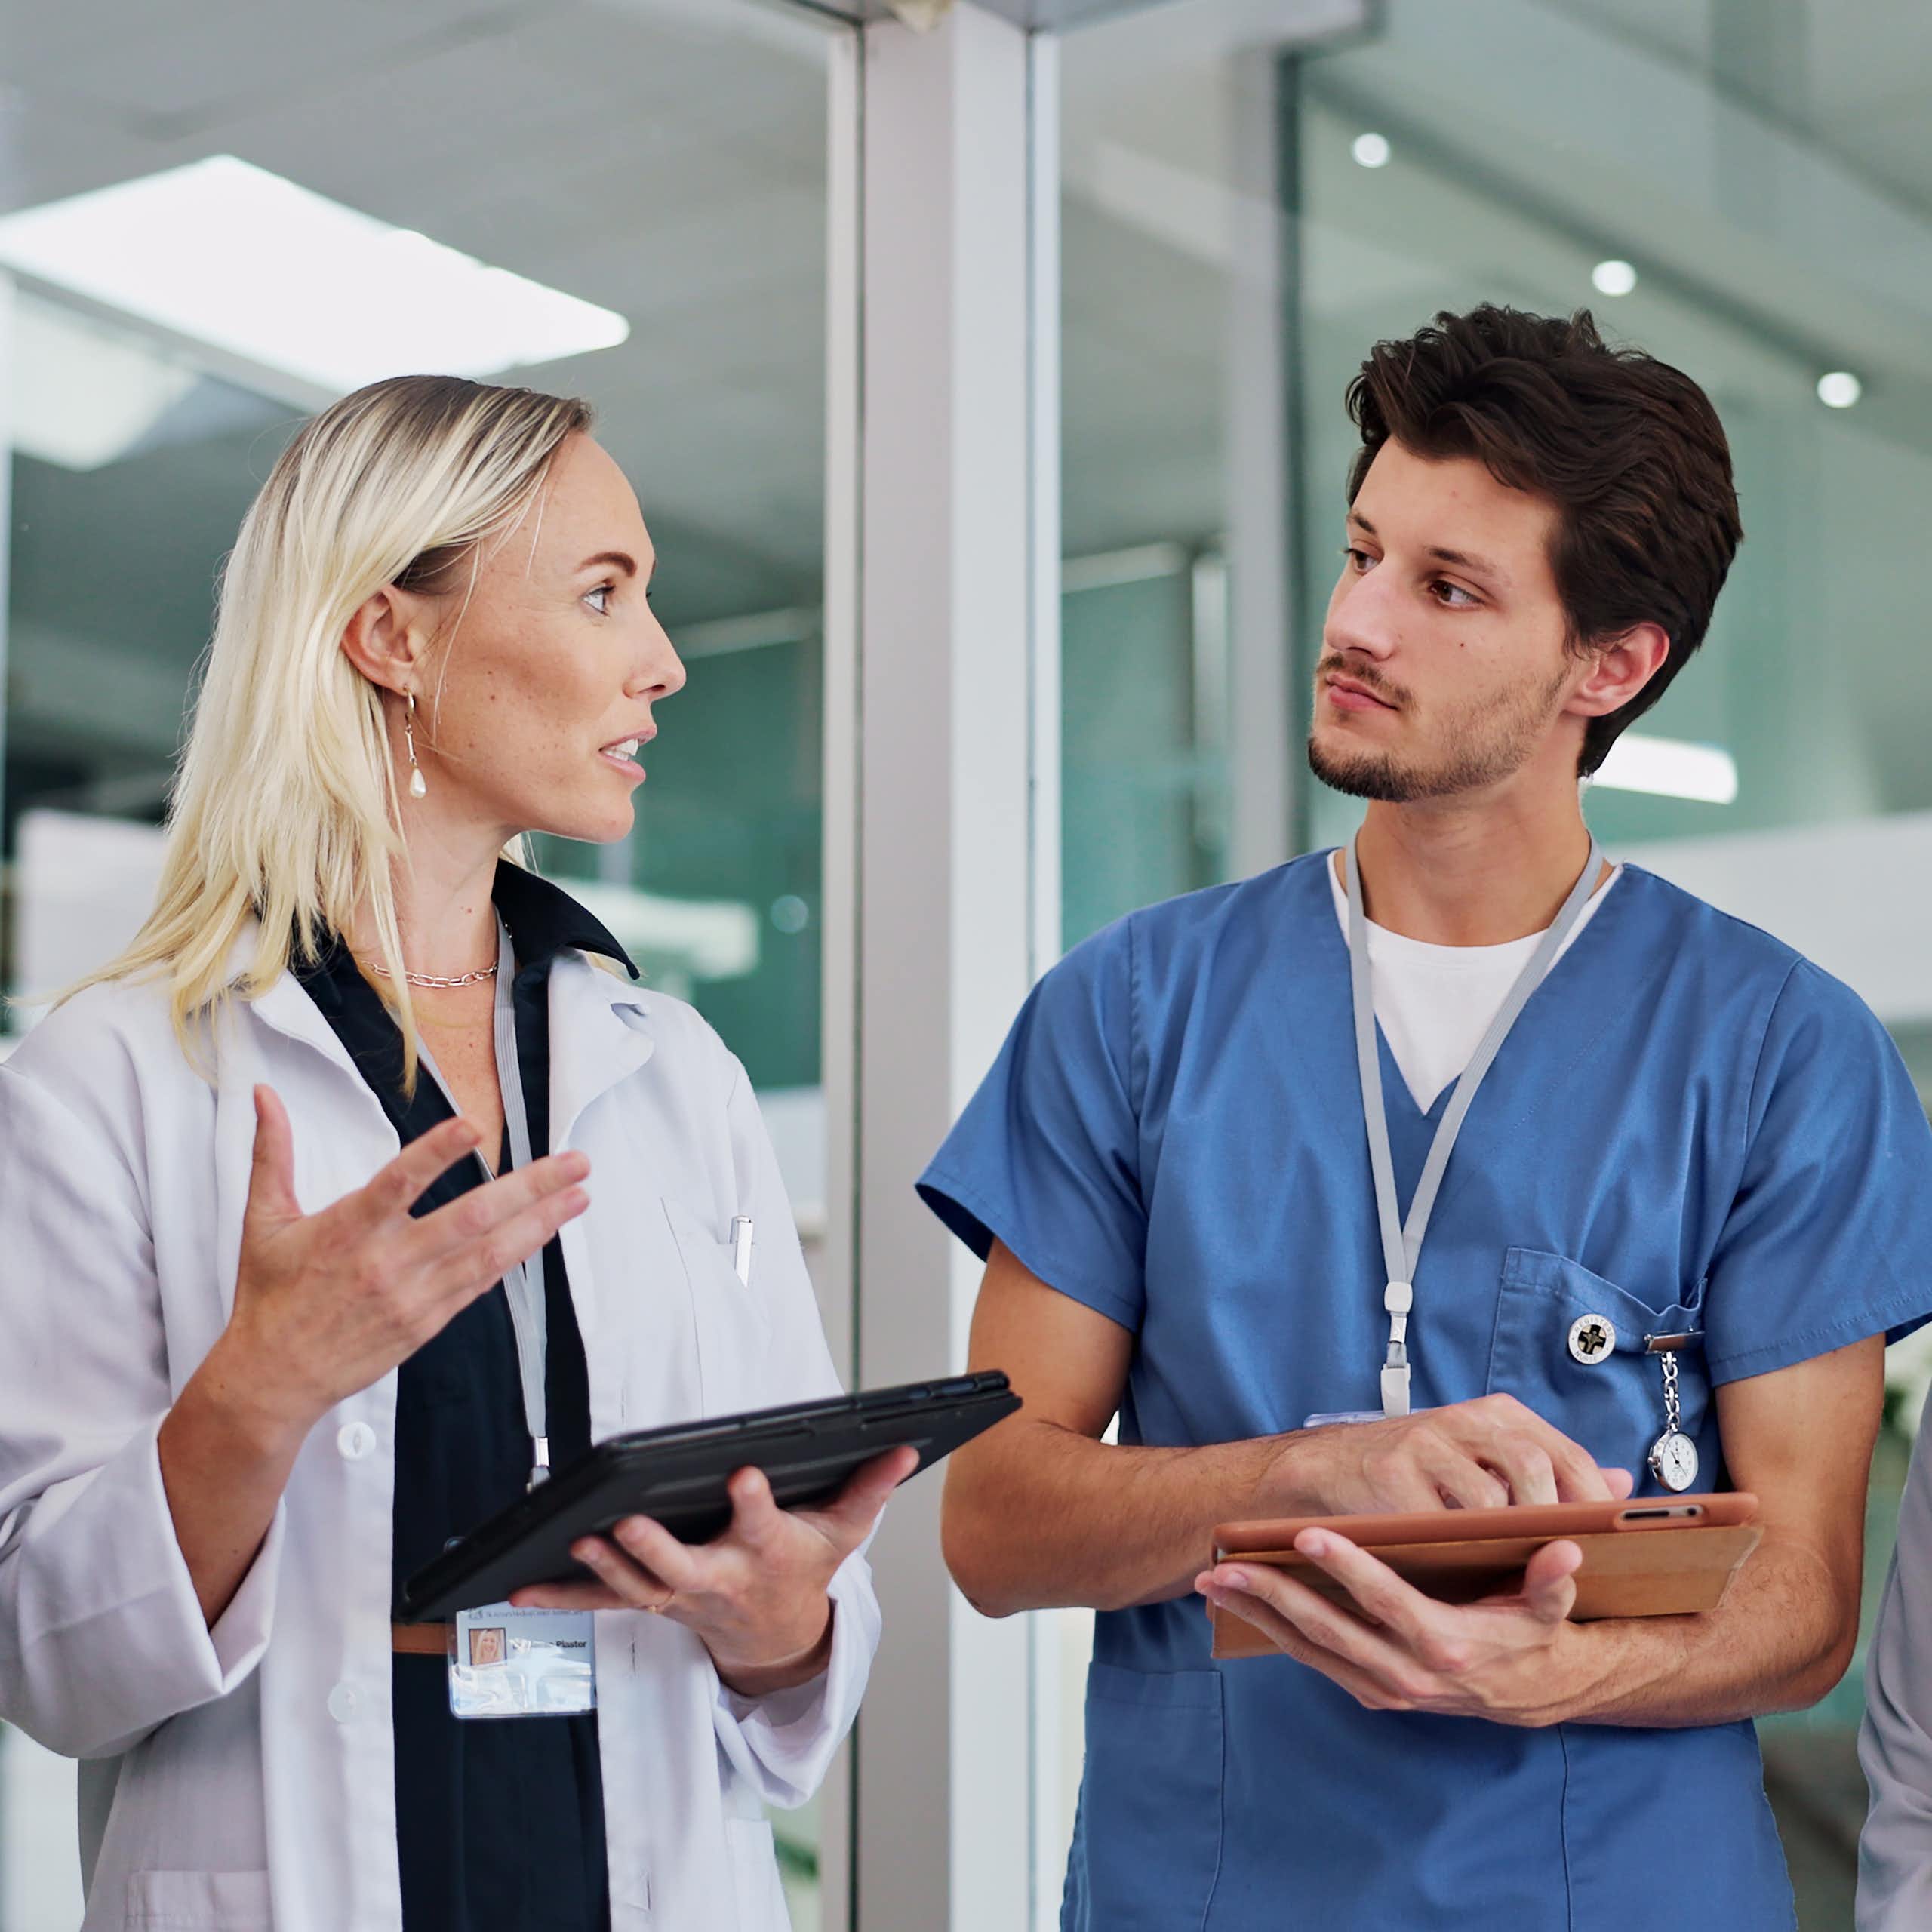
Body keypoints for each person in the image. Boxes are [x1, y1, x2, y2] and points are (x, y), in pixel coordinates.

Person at [919, 306, 1932, 1930]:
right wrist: (1312, 1471)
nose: (1356, 620)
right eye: (1361, 553)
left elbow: (1804, 1600)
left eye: (1447, 588)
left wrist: (1550, 1671)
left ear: (1610, 665)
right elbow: (992, 1522)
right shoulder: (1131, 1012)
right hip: (1210, 1891)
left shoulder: (1777, 1051)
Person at [0, 375, 909, 1932]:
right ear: (391, 636)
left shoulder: (676, 1074)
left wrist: (781, 1621)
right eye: (602, 593)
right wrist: (257, 1391)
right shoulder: (114, 1077)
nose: (664, 660)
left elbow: (802, 1630)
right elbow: (45, 1654)